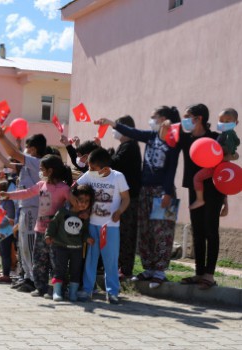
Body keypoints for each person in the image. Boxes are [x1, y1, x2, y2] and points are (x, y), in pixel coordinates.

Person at [96, 106, 180, 289]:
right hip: (145, 190)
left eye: (153, 118)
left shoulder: (174, 141)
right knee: (146, 231)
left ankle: (160, 271)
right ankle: (148, 268)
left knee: (163, 233)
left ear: (164, 119)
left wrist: (167, 192)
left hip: (164, 192)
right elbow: (131, 131)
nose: (151, 121)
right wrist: (111, 122)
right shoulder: (150, 136)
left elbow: (171, 169)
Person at [0, 154, 73, 298]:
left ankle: (59, 289)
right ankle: (41, 288)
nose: (40, 172)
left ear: (50, 171)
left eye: (42, 169)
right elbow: (26, 193)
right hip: (39, 230)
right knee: (39, 261)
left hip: (55, 233)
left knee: (55, 261)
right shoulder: (41, 185)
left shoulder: (64, 188)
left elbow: (73, 204)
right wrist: (8, 195)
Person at [176, 104, 227, 290]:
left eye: (187, 116)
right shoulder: (186, 139)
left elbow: (223, 168)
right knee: (197, 232)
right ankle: (199, 273)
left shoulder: (215, 138)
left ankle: (209, 275)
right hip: (193, 189)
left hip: (213, 191)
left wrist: (225, 200)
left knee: (211, 232)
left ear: (198, 118)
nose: (185, 120)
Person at [75, 148, 130, 304]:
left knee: (110, 260)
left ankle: (112, 292)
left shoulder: (118, 177)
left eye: (93, 168)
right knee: (91, 259)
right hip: (92, 225)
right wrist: (83, 210)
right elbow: (76, 190)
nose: (89, 171)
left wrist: (119, 211)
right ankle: (87, 290)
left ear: (105, 169)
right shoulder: (88, 175)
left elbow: (126, 199)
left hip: (110, 227)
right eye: (89, 167)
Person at [0, 130, 45, 293]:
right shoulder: (27, 164)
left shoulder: (37, 161)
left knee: (29, 244)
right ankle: (27, 276)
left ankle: (33, 279)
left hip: (32, 206)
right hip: (24, 206)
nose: (25, 150)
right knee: (22, 244)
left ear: (34, 149)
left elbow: (13, 154)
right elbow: (11, 160)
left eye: (27, 147)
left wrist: (2, 137)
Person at [106, 116, 142, 280]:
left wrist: (103, 155)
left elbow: (115, 163)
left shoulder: (130, 146)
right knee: (119, 233)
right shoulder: (124, 146)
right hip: (120, 196)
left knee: (127, 233)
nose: (114, 131)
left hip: (130, 197)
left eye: (116, 127)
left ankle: (125, 269)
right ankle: (118, 265)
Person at [45, 184, 95, 301]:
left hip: (77, 249)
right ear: (73, 198)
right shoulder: (63, 212)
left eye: (87, 201)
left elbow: (84, 232)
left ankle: (73, 293)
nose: (83, 203)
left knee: (76, 270)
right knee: (59, 269)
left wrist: (87, 238)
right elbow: (53, 224)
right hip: (61, 246)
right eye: (80, 200)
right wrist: (49, 235)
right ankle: (57, 292)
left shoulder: (85, 217)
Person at [189, 108, 239, 210]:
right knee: (221, 184)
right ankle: (222, 204)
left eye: (227, 121)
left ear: (236, 122)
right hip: (220, 165)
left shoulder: (228, 135)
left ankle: (199, 199)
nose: (223, 123)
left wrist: (219, 151)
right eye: (221, 120)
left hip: (216, 165)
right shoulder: (226, 135)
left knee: (197, 178)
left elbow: (229, 149)